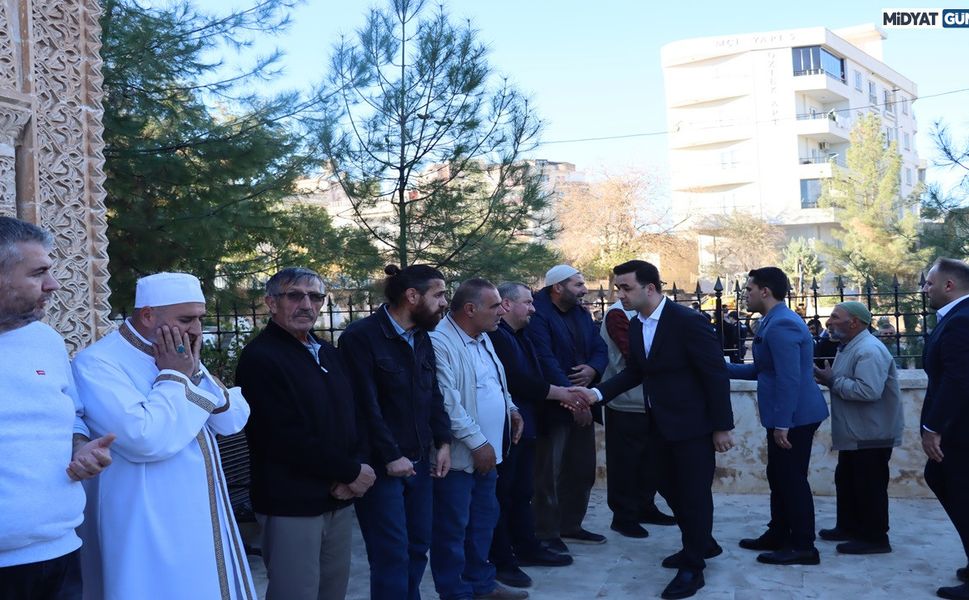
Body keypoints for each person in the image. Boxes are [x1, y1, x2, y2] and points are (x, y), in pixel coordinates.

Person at [73, 272, 256, 600]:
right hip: (146, 518)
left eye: (200, 318)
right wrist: (175, 376)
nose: (197, 329)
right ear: (147, 315)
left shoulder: (182, 355)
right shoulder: (98, 364)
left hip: (201, 510)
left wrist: (191, 371)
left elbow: (231, 421)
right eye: (186, 319)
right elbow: (146, 439)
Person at [576, 260, 735, 600]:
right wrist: (597, 394)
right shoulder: (637, 325)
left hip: (693, 427)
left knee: (693, 494)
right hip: (658, 426)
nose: (620, 294)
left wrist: (722, 427)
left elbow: (715, 375)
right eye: (618, 287)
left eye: (626, 287)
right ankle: (701, 542)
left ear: (650, 288)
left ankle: (693, 567)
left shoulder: (688, 322)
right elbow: (636, 372)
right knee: (666, 486)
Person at [236, 267, 375, 600]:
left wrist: (351, 472)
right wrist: (351, 472)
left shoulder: (327, 351)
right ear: (271, 303)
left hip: (338, 497)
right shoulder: (261, 358)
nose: (306, 305)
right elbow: (282, 436)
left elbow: (352, 417)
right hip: (291, 503)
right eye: (294, 295)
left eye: (315, 297)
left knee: (332, 592)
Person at [0, 217, 114, 600]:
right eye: (38, 274)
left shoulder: (46, 339)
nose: (53, 285)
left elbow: (72, 417)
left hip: (61, 552)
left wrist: (80, 448)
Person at [340, 264, 452, 600]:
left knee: (418, 548)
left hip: (418, 463)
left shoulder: (421, 336)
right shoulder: (360, 338)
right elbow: (364, 406)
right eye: (439, 295)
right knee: (390, 555)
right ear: (412, 296)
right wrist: (391, 456)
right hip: (381, 469)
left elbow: (432, 392)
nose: (445, 302)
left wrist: (443, 440)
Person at [428, 279, 527, 600]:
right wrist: (477, 442)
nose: (502, 311)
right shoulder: (439, 341)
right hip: (460, 458)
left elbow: (495, 382)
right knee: (452, 530)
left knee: (483, 523)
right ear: (470, 309)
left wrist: (511, 409)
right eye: (495, 306)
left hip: (489, 455)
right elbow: (446, 401)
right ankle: (455, 592)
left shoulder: (484, 337)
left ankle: (481, 585)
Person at [727, 267, 829, 566]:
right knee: (779, 475)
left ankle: (803, 546)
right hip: (786, 414)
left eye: (748, 289)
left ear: (765, 291)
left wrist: (783, 422)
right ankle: (779, 533)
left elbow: (788, 379)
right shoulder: (774, 321)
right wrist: (717, 368)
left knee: (791, 479)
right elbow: (762, 371)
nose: (745, 294)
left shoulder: (782, 324)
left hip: (794, 416)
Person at [486, 282, 576, 589]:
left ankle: (526, 546)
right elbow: (516, 380)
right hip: (507, 430)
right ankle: (502, 559)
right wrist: (560, 392)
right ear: (507, 305)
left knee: (522, 493)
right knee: (504, 494)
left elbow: (537, 373)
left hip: (526, 426)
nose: (534, 308)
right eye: (528, 302)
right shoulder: (497, 337)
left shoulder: (519, 335)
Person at [527, 264, 608, 552]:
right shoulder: (537, 314)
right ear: (557, 287)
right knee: (547, 474)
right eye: (578, 284)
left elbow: (600, 348)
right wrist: (574, 398)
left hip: (582, 402)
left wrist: (592, 369)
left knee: (582, 469)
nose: (585, 289)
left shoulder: (581, 313)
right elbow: (544, 360)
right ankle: (546, 533)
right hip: (553, 408)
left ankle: (571, 525)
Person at [813, 302, 903, 555]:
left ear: (853, 323)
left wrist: (832, 381)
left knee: (869, 486)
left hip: (872, 433)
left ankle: (875, 538)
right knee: (848, 480)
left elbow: (868, 390)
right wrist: (831, 380)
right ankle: (849, 526)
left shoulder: (869, 350)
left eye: (835, 317)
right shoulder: (850, 347)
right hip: (858, 433)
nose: (829, 322)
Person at [600, 299, 676, 538]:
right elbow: (634, 354)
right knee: (625, 463)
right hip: (625, 400)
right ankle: (624, 517)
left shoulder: (651, 312)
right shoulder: (618, 314)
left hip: (650, 401)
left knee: (650, 461)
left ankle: (645, 508)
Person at [920, 258, 969, 600]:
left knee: (960, 493)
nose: (924, 290)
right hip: (957, 427)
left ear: (948, 285)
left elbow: (958, 379)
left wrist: (933, 427)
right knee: (944, 481)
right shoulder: (956, 318)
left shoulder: (961, 321)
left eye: (929, 283)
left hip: (960, 430)